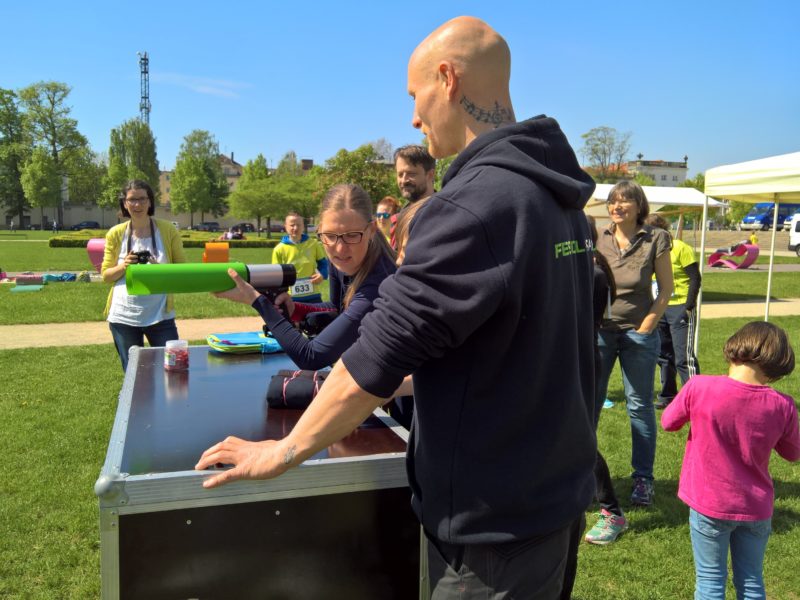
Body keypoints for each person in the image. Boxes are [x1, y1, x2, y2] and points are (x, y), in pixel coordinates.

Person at [197, 17, 597, 598]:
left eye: (415, 96)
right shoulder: (560, 200)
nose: (413, 116)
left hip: (493, 532)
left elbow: (376, 357)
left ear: (447, 78)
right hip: (555, 502)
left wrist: (283, 452)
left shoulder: (471, 208)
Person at [662, 321, 799, 600]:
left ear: (736, 347)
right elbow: (792, 452)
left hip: (709, 504)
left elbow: (668, 422)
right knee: (751, 582)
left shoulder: (699, 387)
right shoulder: (783, 405)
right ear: (775, 366)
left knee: (710, 582)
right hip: (757, 507)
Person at [215, 184, 396, 371]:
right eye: (330, 236)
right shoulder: (343, 258)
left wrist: (257, 301)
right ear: (320, 231)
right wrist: (295, 308)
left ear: (372, 230)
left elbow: (311, 357)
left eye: (352, 235)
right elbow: (338, 307)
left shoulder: (379, 285)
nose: (340, 249)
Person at [595, 180, 673, 507]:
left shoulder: (656, 238)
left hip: (638, 335)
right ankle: (584, 474)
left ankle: (643, 479)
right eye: (613, 201)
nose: (617, 206)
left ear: (639, 206)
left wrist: (646, 326)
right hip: (599, 332)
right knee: (589, 404)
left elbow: (666, 289)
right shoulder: (598, 237)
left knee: (639, 406)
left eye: (625, 201)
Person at [101, 179, 186, 371]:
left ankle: (170, 402)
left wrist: (157, 268)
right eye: (132, 200)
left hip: (161, 316)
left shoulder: (167, 230)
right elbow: (106, 275)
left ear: (150, 202)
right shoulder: (115, 234)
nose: (137, 204)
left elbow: (182, 271)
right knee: (134, 372)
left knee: (174, 368)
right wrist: (124, 265)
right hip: (123, 318)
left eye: (142, 199)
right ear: (124, 203)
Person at [583, 215, 629, 546]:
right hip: (565, 362)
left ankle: (612, 512)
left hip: (581, 363)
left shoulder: (593, 275)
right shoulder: (577, 272)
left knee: (581, 437)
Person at [645, 214, 701, 409]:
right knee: (664, 356)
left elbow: (695, 278)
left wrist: (689, 306)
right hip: (660, 307)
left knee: (683, 357)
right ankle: (667, 396)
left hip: (680, 307)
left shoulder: (680, 248)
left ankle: (695, 400)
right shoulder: (651, 250)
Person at [271, 211, 328, 303]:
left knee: (317, 317)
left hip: (313, 295)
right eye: (292, 225)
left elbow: (324, 264)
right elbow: (276, 274)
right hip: (290, 298)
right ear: (285, 226)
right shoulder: (279, 249)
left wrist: (322, 275)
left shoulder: (313, 244)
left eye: (299, 225)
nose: (296, 228)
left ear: (303, 226)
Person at [390, 144, 436, 247]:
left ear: (430, 175)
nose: (404, 180)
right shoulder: (397, 221)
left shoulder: (445, 215)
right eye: (400, 174)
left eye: (411, 174)